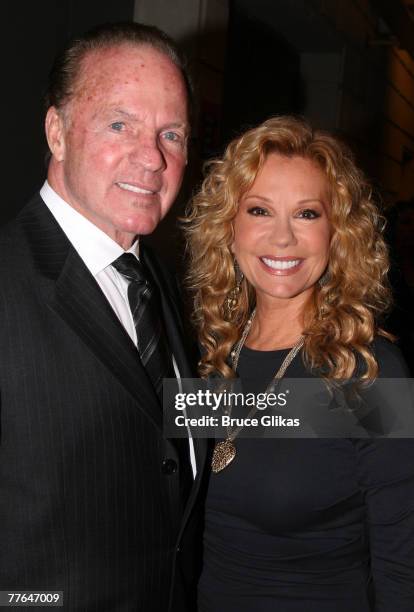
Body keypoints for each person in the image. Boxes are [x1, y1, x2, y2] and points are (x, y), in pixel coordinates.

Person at [0, 22, 206, 612]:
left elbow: (169, 420)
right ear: (57, 132)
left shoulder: (157, 282)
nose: (152, 158)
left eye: (172, 133)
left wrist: (375, 406)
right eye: (121, 124)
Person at [185, 116, 414, 611]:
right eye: (260, 210)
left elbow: (403, 562)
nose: (283, 238)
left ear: (338, 233)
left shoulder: (369, 374)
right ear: (229, 226)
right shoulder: (206, 353)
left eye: (307, 214)